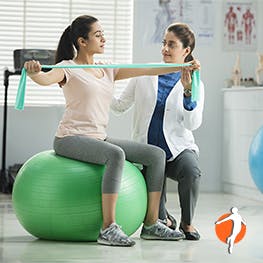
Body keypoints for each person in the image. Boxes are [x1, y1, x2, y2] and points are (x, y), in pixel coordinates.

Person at [24, 15, 200, 247]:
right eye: (98, 35)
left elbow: (148, 70)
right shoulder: (67, 67)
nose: (104, 38)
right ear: (82, 41)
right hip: (70, 138)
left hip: (98, 137)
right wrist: (34, 72)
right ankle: (108, 228)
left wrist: (184, 65)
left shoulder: (106, 69)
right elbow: (45, 79)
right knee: (115, 154)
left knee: (155, 155)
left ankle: (151, 223)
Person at [111, 22, 204, 241]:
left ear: (186, 50)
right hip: (149, 153)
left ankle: (187, 223)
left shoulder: (194, 81)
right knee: (156, 219)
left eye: (171, 44)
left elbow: (192, 123)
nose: (164, 49)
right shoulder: (144, 74)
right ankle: (166, 219)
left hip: (178, 149)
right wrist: (100, 84)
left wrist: (188, 90)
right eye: (164, 43)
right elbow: (119, 106)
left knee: (191, 171)